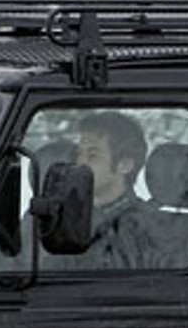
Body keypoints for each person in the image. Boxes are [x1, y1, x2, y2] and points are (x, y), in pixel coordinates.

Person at [63, 111, 164, 270]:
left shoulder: (144, 228)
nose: (80, 163)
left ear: (124, 166)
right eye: (79, 154)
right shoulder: (65, 216)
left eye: (93, 155)